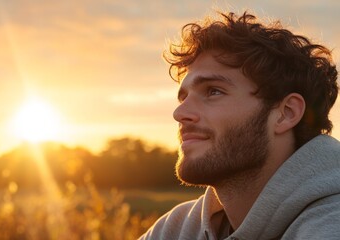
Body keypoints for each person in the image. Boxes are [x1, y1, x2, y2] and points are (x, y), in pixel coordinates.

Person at [139, 10, 340, 240]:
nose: (180, 113)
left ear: (286, 113)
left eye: (213, 91)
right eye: (184, 98)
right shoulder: (176, 229)